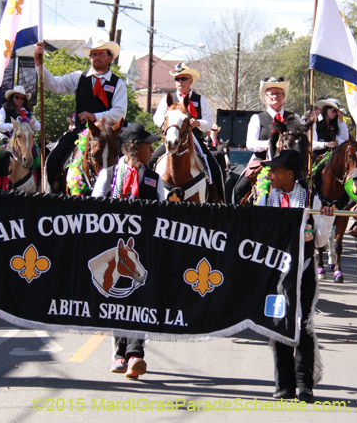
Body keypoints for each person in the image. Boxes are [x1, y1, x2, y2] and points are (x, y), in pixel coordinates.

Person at [253, 149, 328, 403]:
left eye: (275, 170)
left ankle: (304, 384)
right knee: (278, 324)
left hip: (303, 271)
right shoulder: (264, 197)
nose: (270, 174)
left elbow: (319, 240)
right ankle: (284, 384)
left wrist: (325, 221)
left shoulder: (310, 198)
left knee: (303, 325)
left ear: (290, 174)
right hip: (274, 275)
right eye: (270, 170)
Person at [92, 123, 162, 379]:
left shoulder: (154, 179)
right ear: (136, 149)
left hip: (142, 250)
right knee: (117, 300)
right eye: (148, 145)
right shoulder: (107, 176)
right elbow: (94, 211)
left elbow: (165, 213)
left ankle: (136, 354)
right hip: (115, 250)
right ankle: (119, 354)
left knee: (139, 300)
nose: (152, 149)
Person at [33, 39, 127, 188]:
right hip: (81, 132)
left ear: (109, 58)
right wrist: (39, 64)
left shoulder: (118, 84)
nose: (96, 57)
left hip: (109, 135)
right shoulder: (78, 78)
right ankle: (51, 195)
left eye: (101, 54)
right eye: (93, 54)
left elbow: (119, 112)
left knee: (129, 163)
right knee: (53, 158)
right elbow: (53, 84)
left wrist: (94, 116)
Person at [150, 63, 225, 200]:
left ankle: (220, 200)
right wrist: (169, 125)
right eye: (177, 79)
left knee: (215, 168)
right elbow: (157, 117)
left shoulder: (199, 99)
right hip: (172, 137)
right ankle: (145, 197)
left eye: (183, 78)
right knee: (151, 161)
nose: (180, 82)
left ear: (191, 80)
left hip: (194, 139)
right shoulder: (169, 98)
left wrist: (198, 123)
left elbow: (209, 121)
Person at [232, 77, 295, 205]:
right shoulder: (257, 118)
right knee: (239, 189)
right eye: (271, 94)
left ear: (284, 96)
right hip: (263, 162)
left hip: (289, 164)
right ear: (265, 97)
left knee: (311, 187)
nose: (275, 96)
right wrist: (269, 144)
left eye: (279, 93)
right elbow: (250, 143)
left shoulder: (293, 117)